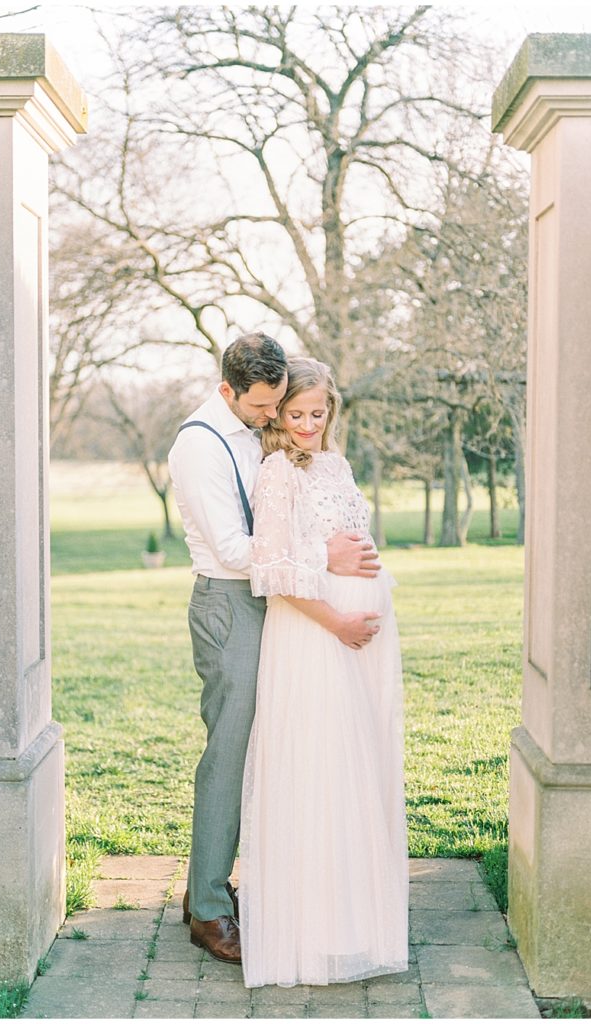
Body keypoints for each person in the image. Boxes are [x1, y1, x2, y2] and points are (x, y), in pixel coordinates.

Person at [168, 333, 381, 965]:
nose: (272, 417)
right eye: (263, 406)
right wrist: (326, 556)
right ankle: (206, 909)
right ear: (227, 389)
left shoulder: (254, 428)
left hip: (278, 600)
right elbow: (236, 550)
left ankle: (218, 884)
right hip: (230, 604)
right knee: (229, 753)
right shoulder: (198, 447)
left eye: (277, 404)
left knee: (277, 745)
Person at [240, 356, 409, 988]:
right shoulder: (277, 472)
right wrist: (338, 621)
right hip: (314, 637)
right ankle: (309, 934)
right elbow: (275, 573)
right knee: (318, 769)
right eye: (296, 414)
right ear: (277, 416)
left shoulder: (335, 464)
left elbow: (350, 541)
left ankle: (355, 923)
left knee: (356, 772)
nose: (308, 425)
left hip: (358, 641)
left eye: (318, 414)